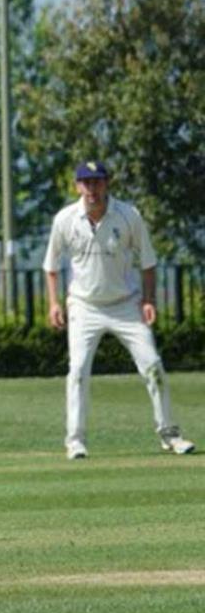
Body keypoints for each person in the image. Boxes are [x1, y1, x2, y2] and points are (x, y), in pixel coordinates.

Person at [42, 161, 195, 460]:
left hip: (126, 304)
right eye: (86, 183)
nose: (92, 189)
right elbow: (51, 266)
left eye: (97, 182)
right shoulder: (65, 219)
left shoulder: (128, 215)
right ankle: (75, 440)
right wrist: (53, 303)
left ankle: (170, 435)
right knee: (78, 370)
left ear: (107, 183)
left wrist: (149, 300)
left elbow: (148, 262)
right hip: (84, 306)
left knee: (153, 366)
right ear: (77, 186)